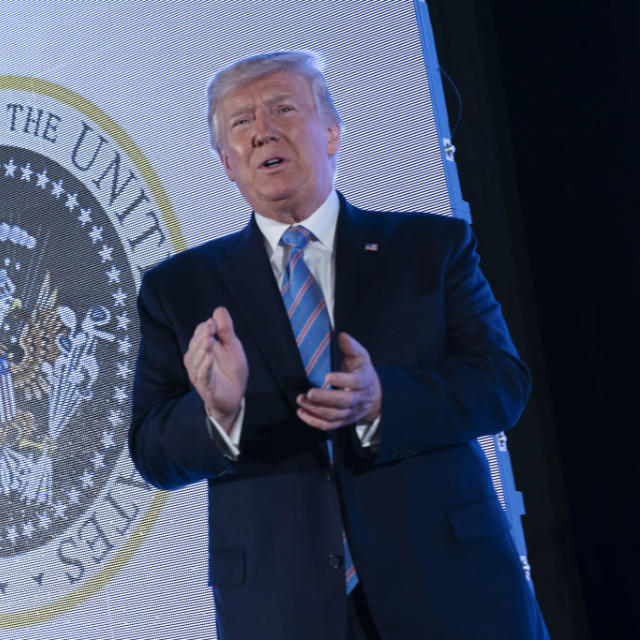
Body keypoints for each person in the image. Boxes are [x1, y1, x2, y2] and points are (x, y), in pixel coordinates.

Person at [129, 50, 549, 639]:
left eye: (282, 109)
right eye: (240, 124)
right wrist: (218, 415)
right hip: (281, 607)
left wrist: (385, 402)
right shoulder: (178, 289)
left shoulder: (430, 248)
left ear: (332, 132)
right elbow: (151, 451)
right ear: (225, 161)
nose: (262, 133)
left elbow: (502, 385)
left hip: (452, 590)